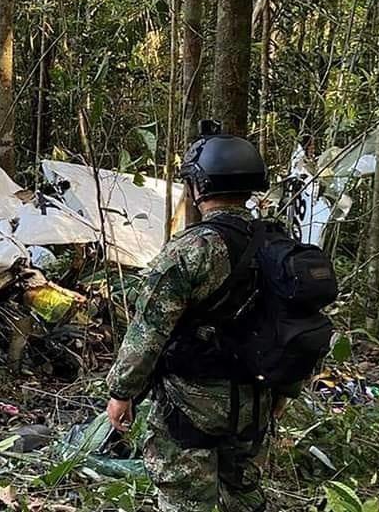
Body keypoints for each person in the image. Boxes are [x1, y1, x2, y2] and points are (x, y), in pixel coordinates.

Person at [105, 124, 300, 512]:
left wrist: (121, 393)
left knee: (185, 500)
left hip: (189, 405)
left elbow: (148, 332)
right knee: (243, 495)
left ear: (199, 186)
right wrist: (286, 391)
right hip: (256, 401)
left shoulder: (191, 250)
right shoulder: (281, 246)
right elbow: (299, 322)